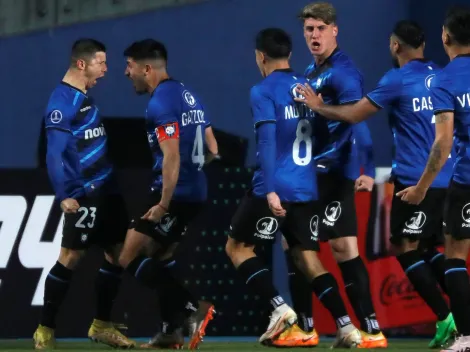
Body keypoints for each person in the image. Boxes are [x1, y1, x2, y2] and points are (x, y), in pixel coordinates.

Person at [295, 19, 458, 348]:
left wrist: (318, 106)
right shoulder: (443, 76)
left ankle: (447, 319)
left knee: (403, 247)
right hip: (453, 179)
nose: (314, 34)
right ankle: (459, 317)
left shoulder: (396, 80)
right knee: (435, 250)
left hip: (415, 181)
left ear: (395, 46)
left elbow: (355, 115)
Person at [225, 27, 362, 348]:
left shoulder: (262, 90)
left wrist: (270, 189)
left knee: (237, 248)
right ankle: (347, 328)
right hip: (306, 186)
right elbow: (327, 134)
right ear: (289, 54)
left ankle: (281, 310)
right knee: (308, 259)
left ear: (260, 57)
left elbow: (267, 141)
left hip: (273, 186)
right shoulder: (307, 86)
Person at [287, 3, 386, 349]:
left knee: (307, 246)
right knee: (324, 247)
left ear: (334, 30)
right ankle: (315, 327)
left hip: (333, 172)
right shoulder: (310, 71)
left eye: (320, 28)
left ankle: (364, 329)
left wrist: (368, 170)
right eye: (309, 29)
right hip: (314, 173)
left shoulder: (343, 72)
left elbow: (358, 117)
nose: (314, 35)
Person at [33, 39, 135, 349]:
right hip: (85, 193)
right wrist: (64, 193)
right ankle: (44, 330)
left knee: (118, 255)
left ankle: (101, 325)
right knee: (71, 257)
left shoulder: (82, 96)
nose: (106, 70)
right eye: (100, 63)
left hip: (109, 190)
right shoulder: (61, 102)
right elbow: (54, 154)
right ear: (81, 64)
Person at [120, 39, 215, 350]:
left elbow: (171, 155)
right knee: (162, 256)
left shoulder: (160, 102)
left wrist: (163, 202)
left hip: (173, 193)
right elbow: (213, 148)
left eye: (130, 66)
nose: (126, 73)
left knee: (128, 256)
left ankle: (193, 308)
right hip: (195, 190)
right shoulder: (190, 95)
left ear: (147, 68)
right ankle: (170, 332)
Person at [393, 6, 470, 352]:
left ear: (445, 38)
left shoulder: (446, 79)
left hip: (465, 179)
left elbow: (442, 142)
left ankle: (464, 337)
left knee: (455, 257)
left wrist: (422, 186)